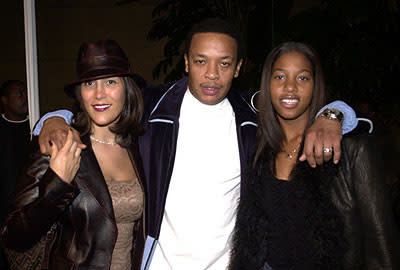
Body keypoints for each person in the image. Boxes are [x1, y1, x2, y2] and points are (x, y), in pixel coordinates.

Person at [33, 19, 361, 269]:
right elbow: (102, 103)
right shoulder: (153, 106)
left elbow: (295, 98)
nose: (212, 75)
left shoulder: (251, 113)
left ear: (238, 68)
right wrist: (54, 119)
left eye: (224, 63)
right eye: (201, 61)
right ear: (187, 62)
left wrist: (332, 114)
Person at [229, 42, 400, 270]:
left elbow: (381, 245)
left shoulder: (351, 149)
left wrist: (334, 113)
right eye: (280, 77)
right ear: (267, 84)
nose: (290, 87)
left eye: (302, 78)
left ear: (315, 84)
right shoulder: (255, 144)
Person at [1, 39, 146, 270]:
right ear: (80, 92)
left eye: (110, 82)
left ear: (127, 88)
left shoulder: (140, 148)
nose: (99, 94)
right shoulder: (59, 145)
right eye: (89, 83)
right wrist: (57, 183)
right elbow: (13, 237)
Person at [0, 80, 30, 270]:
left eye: (26, 92)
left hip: (29, 213)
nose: (26, 97)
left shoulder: (37, 127)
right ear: (5, 100)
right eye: (20, 93)